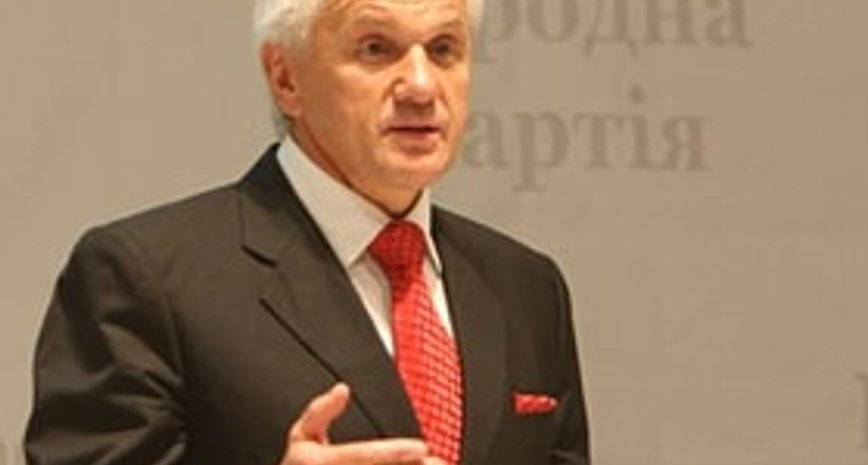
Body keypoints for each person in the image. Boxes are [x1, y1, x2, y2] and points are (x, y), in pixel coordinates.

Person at [24, 0, 589, 463]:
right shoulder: (145, 277)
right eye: (376, 49)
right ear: (285, 78)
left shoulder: (526, 288)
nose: (421, 86)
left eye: (443, 49)